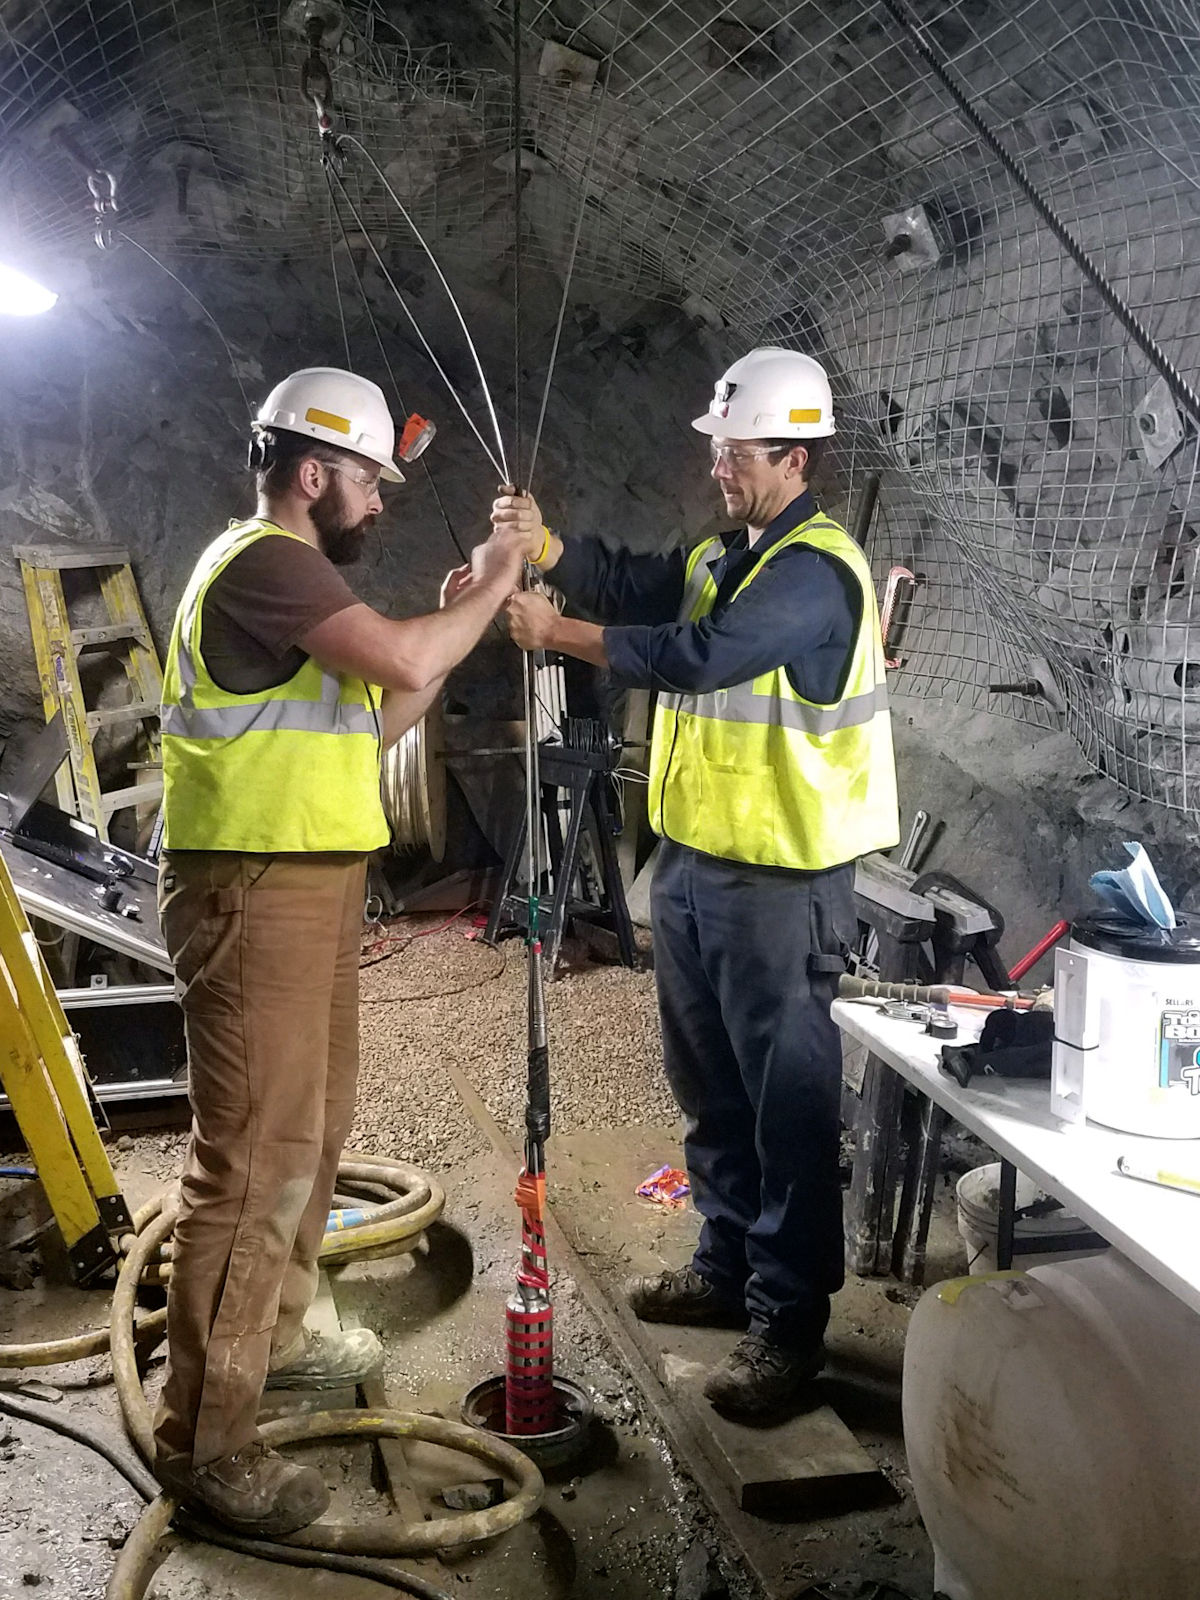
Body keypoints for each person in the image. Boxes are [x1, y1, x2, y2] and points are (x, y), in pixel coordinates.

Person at [494, 347, 899, 1421]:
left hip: (783, 881)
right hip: (693, 868)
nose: (717, 462)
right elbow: (638, 582)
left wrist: (559, 631)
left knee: (788, 1106)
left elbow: (701, 654)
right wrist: (549, 548)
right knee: (710, 1085)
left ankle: (789, 1325)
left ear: (793, 455)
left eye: (735, 448)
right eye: (717, 445)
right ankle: (725, 1268)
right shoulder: (733, 550)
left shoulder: (814, 573)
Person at [155, 367, 524, 1534]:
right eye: (369, 479)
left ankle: (275, 1338)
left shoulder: (296, 583)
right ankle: (205, 1442)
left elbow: (377, 712)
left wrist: (455, 616)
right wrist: (497, 589)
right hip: (254, 890)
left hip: (307, 886)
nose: (379, 501)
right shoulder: (266, 561)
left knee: (309, 1135)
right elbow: (409, 665)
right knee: (253, 1162)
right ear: (312, 473)